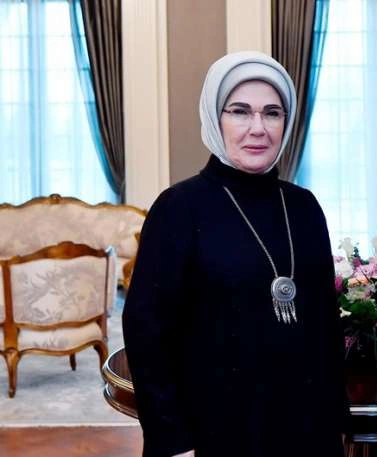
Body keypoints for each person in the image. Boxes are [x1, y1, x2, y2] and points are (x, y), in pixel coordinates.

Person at [122, 51, 349, 457]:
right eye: (240, 112)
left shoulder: (304, 207)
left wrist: (333, 426)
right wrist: (173, 442)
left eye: (272, 113)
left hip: (302, 430)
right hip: (212, 432)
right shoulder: (179, 207)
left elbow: (325, 329)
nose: (257, 128)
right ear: (215, 118)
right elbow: (147, 335)